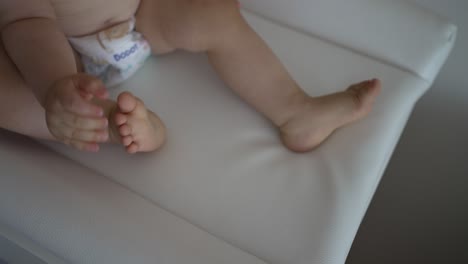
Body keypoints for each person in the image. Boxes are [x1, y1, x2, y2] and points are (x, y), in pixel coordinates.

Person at [0, 0, 381, 154]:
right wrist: (53, 86)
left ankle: (295, 111)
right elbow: (27, 24)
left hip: (140, 16)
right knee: (14, 93)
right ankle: (106, 122)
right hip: (59, 56)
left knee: (210, 11)